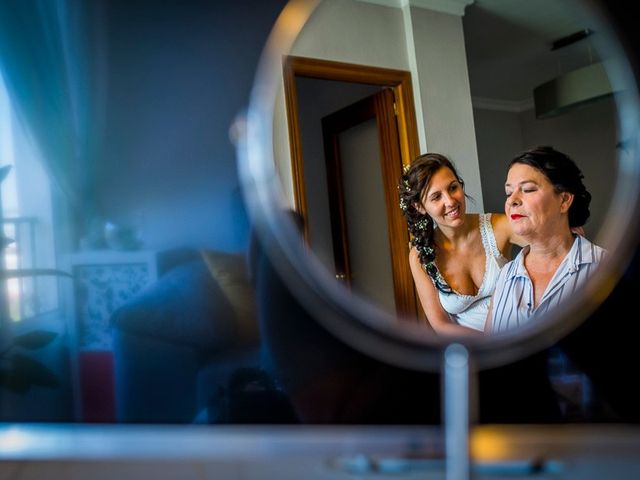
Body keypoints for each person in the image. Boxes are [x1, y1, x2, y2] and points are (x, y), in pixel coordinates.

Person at [399, 152, 525, 336]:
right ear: (420, 207)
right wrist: (490, 348)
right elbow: (441, 325)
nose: (450, 201)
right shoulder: (420, 257)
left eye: (452, 188)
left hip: (521, 336)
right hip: (475, 352)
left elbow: (550, 244)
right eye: (436, 197)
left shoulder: (498, 226)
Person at [486, 146, 606, 333]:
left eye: (528, 189)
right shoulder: (504, 277)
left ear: (564, 200)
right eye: (509, 193)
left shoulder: (607, 269)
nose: (512, 201)